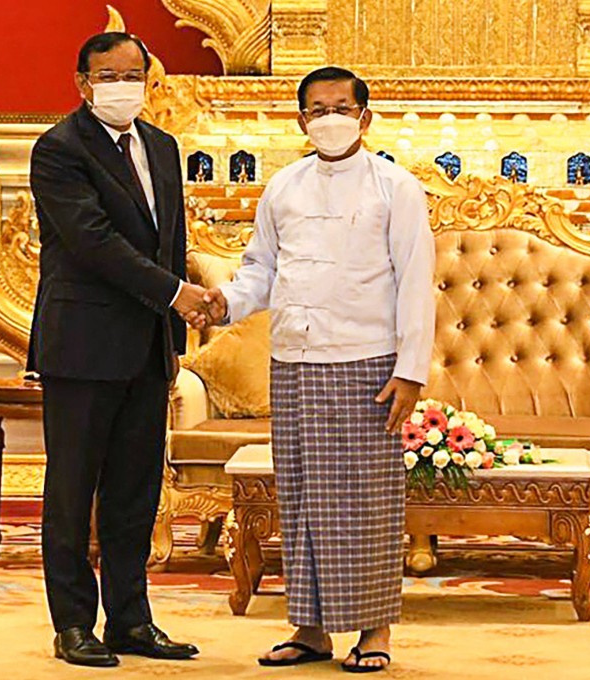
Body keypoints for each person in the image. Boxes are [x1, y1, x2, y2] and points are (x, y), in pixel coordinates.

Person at [193, 66, 435, 673]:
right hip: (294, 360)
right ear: (301, 121)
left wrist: (410, 370)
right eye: (318, 109)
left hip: (367, 361)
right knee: (302, 499)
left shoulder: (395, 188)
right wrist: (227, 302)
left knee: (367, 501)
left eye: (342, 107)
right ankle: (311, 630)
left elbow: (415, 284)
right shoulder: (283, 187)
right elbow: (261, 269)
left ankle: (375, 632)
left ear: (365, 117)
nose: (330, 118)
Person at [27, 32, 205, 668]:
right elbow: (93, 243)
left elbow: (169, 241)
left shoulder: (161, 146)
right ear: (83, 83)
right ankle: (73, 623)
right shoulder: (58, 150)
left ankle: (131, 619)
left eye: (134, 73)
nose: (123, 85)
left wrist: (175, 330)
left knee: (136, 490)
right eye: (109, 75)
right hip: (82, 344)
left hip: (146, 347)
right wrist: (177, 294)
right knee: (73, 489)